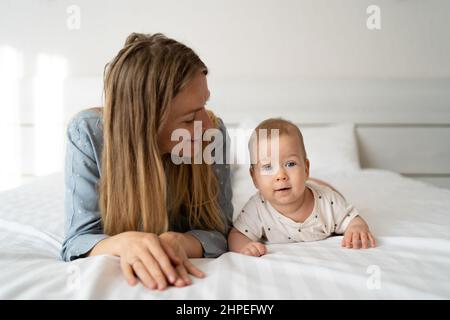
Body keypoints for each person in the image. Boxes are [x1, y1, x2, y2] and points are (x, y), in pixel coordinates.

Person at [61, 33, 233, 291]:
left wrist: (180, 242)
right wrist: (124, 243)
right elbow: (77, 241)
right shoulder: (87, 134)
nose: (208, 124)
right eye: (188, 120)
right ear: (144, 125)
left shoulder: (213, 133)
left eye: (204, 105)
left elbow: (220, 231)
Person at [228, 118, 376, 257]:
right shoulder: (257, 208)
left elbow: (352, 219)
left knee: (328, 191)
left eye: (290, 164)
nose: (281, 175)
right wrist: (244, 246)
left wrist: (356, 228)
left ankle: (313, 181)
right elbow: (237, 235)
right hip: (303, 184)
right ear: (254, 178)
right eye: (267, 167)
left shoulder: (327, 202)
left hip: (320, 188)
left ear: (306, 168)